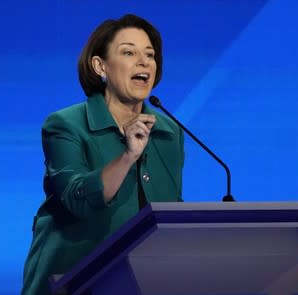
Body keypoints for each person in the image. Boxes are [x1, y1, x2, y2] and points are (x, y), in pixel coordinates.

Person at [22, 14, 184, 294]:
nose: (144, 62)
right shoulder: (65, 124)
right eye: (129, 52)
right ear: (100, 66)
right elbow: (77, 199)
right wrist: (127, 156)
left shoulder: (169, 131)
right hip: (69, 283)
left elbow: (169, 208)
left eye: (150, 54)